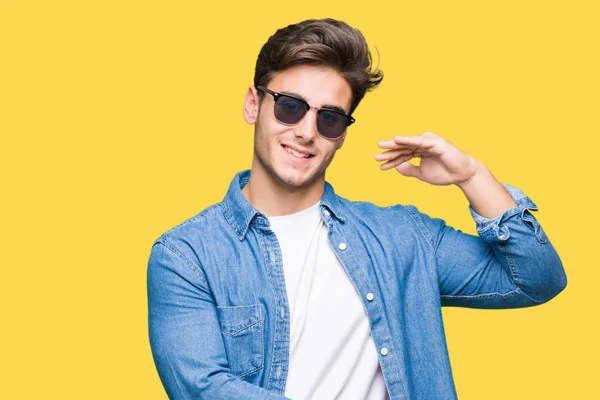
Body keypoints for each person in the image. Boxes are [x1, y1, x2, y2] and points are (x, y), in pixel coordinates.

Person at [147, 18, 567, 400]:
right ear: (253, 105)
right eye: (290, 106)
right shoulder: (187, 255)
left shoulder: (403, 236)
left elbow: (537, 278)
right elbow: (204, 389)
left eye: (329, 118)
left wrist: (472, 176)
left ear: (342, 135)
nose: (307, 132)